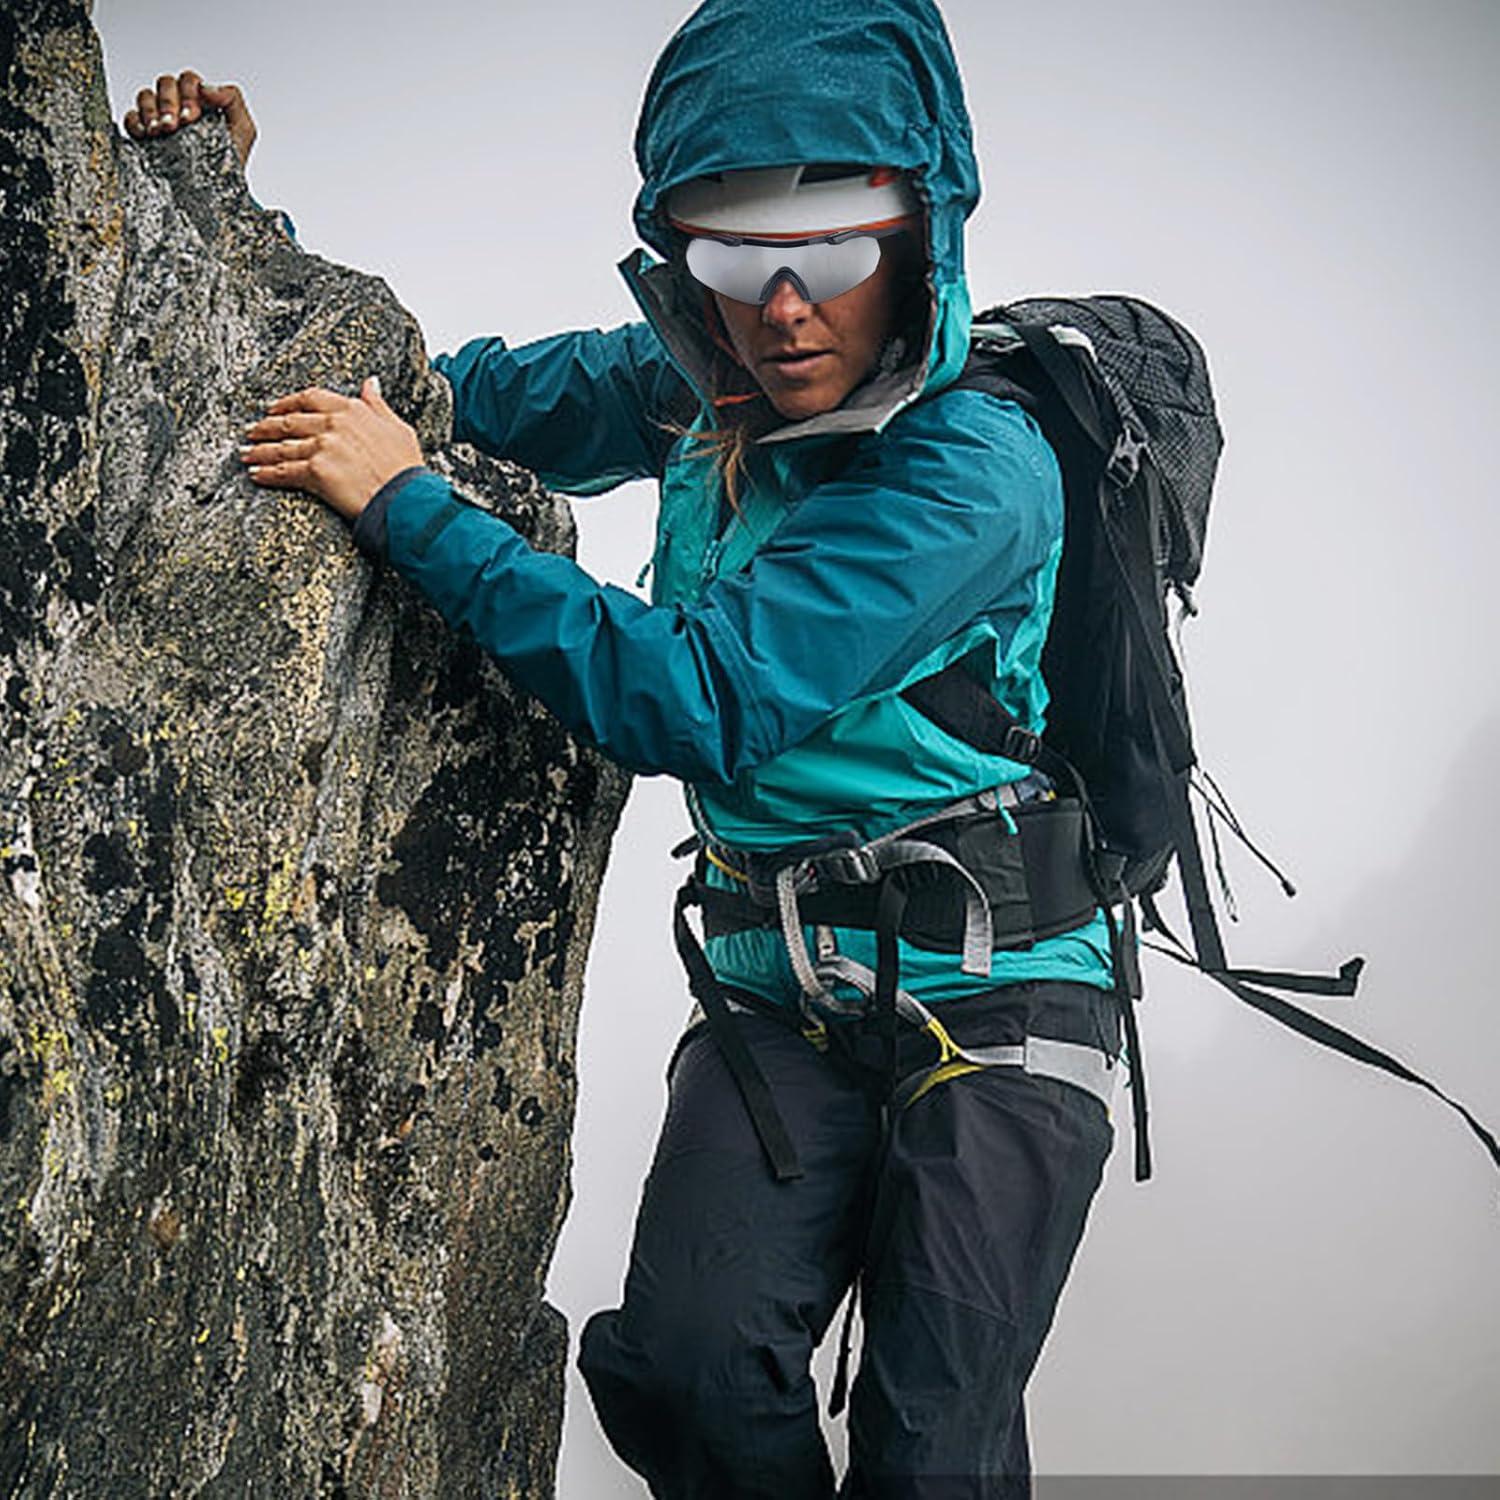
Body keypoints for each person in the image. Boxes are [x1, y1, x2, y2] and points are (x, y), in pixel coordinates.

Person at [130, 2, 1124, 1494]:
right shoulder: (700, 373)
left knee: (934, 1454)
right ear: (683, 255)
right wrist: (225, 231)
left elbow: (697, 699)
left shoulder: (976, 470)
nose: (784, 306)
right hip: (776, 991)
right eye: (731, 253)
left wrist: (409, 511)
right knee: (681, 1379)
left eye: (836, 249)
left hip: (1003, 999)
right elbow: (418, 391)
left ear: (919, 233)